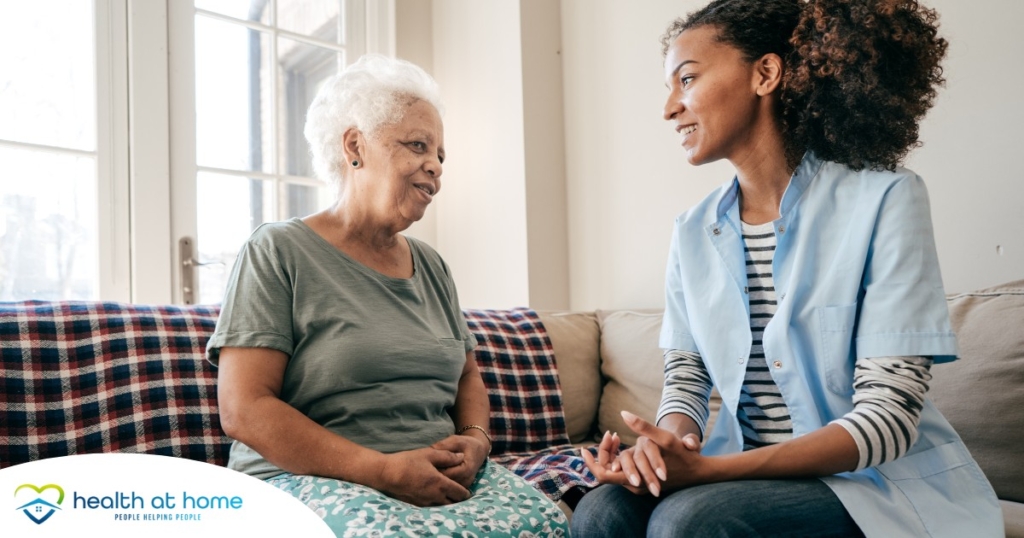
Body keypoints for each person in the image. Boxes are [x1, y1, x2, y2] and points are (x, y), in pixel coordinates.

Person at [572, 1, 1002, 536]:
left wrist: (709, 472)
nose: (669, 108)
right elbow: (687, 378)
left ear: (765, 74)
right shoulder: (692, 230)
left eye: (686, 79)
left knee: (690, 521)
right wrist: (665, 450)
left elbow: (889, 420)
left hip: (870, 483)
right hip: (741, 475)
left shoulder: (886, 198)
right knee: (601, 511)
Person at [207, 54, 568, 536]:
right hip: (309, 480)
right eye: (418, 145)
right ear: (355, 145)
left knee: (550, 524)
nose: (435, 167)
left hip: (436, 478)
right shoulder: (278, 250)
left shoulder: (432, 265)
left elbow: (468, 376)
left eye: (440, 155)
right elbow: (245, 409)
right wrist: (383, 470)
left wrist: (476, 441)